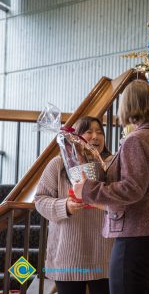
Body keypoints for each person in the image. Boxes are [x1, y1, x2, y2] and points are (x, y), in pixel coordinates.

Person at [73, 80, 149, 294]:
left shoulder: (137, 140)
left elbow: (132, 189)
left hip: (138, 236)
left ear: (128, 106)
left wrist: (87, 190)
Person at [35, 116, 113, 294]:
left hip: (105, 256)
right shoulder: (58, 164)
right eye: (89, 132)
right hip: (68, 256)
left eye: (100, 132)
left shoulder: (112, 164)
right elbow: (40, 200)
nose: (95, 137)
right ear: (75, 137)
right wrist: (65, 206)